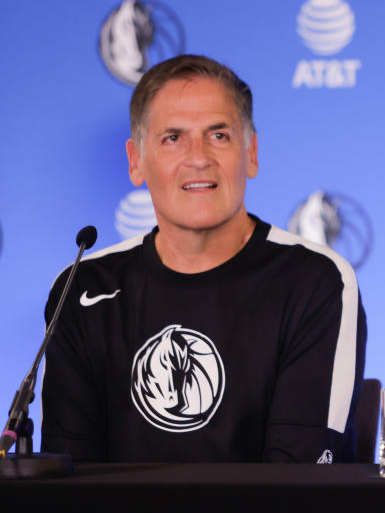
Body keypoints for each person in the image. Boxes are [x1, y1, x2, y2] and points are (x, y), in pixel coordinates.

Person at [41, 55, 367, 463]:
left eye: (219, 135)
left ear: (251, 153)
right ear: (135, 161)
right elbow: (69, 484)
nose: (198, 157)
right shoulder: (82, 289)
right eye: (172, 138)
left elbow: (297, 483)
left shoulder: (315, 281)